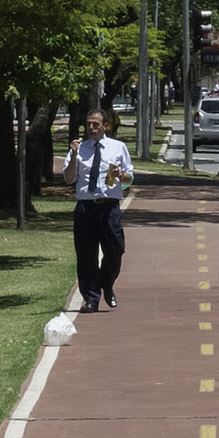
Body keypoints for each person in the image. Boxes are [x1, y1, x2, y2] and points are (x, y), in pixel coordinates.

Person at [65, 110, 133, 312]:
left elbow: (130, 177)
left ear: (105, 126)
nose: (92, 128)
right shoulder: (80, 149)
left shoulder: (118, 147)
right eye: (89, 125)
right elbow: (69, 178)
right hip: (86, 207)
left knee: (116, 250)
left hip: (109, 206)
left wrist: (121, 175)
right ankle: (91, 299)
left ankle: (106, 283)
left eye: (96, 124)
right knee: (86, 255)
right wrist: (74, 155)